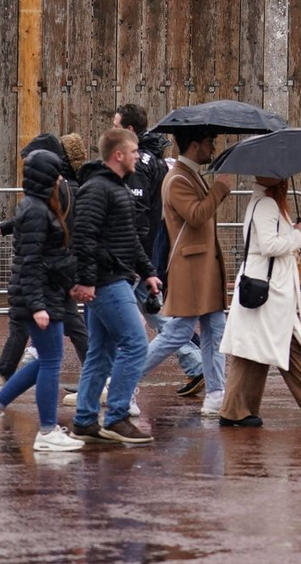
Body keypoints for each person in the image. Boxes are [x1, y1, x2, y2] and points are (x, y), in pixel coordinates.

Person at [0, 133, 89, 399]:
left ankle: (3, 384)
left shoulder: (60, 191)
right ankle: (98, 379)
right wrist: (3, 227)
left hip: (48, 271)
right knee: (70, 327)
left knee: (37, 330)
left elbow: (40, 233)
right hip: (57, 270)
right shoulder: (60, 189)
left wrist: (38, 299)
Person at [0, 150, 83, 452]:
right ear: (47, 177)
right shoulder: (36, 208)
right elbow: (31, 261)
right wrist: (37, 305)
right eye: (56, 174)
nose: (61, 178)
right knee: (51, 361)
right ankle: (46, 431)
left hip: (45, 292)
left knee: (48, 360)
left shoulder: (35, 205)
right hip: (39, 295)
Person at [218, 175, 301, 428]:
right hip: (269, 287)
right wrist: (297, 235)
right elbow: (268, 245)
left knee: (257, 347)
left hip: (264, 283)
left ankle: (236, 410)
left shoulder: (262, 201)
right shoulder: (267, 204)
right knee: (278, 343)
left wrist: (291, 232)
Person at [71, 127, 162, 446]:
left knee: (100, 352)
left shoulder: (117, 188)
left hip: (114, 278)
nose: (139, 155)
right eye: (134, 150)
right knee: (136, 344)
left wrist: (148, 271)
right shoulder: (98, 188)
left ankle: (84, 420)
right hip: (108, 281)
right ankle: (117, 417)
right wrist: (85, 280)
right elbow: (83, 236)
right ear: (118, 155)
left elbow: (129, 239)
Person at [138, 127, 233, 417]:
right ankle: (123, 379)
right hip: (191, 269)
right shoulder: (178, 177)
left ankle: (216, 393)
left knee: (214, 331)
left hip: (202, 268)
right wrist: (221, 188)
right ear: (195, 145)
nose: (213, 148)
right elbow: (195, 215)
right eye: (210, 142)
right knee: (176, 333)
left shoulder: (188, 174)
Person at [115, 103, 205, 397]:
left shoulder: (139, 163)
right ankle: (196, 364)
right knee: (157, 318)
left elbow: (138, 215)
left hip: (133, 257)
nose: (112, 131)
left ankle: (115, 379)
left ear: (129, 130)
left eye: (116, 126)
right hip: (142, 256)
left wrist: (134, 261)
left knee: (119, 317)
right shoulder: (153, 160)